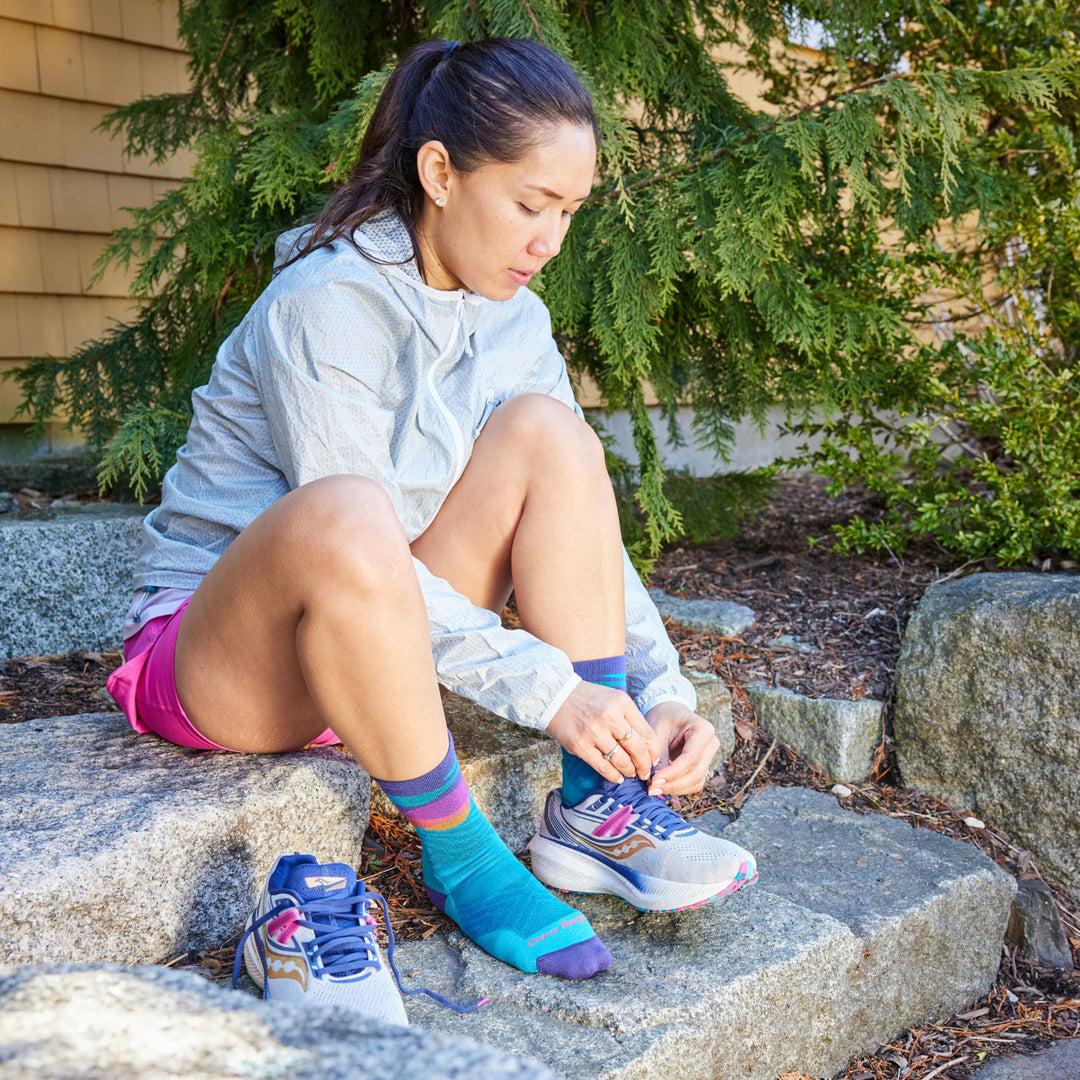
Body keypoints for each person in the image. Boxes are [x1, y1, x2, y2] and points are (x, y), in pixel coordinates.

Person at [106, 36, 757, 1022]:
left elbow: (581, 526)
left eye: (569, 213)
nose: (548, 241)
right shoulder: (323, 308)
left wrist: (652, 693)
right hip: (230, 662)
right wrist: (546, 690)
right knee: (348, 509)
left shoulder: (513, 317)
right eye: (530, 204)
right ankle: (460, 857)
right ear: (440, 172)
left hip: (384, 651)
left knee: (557, 439)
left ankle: (599, 804)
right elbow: (351, 545)